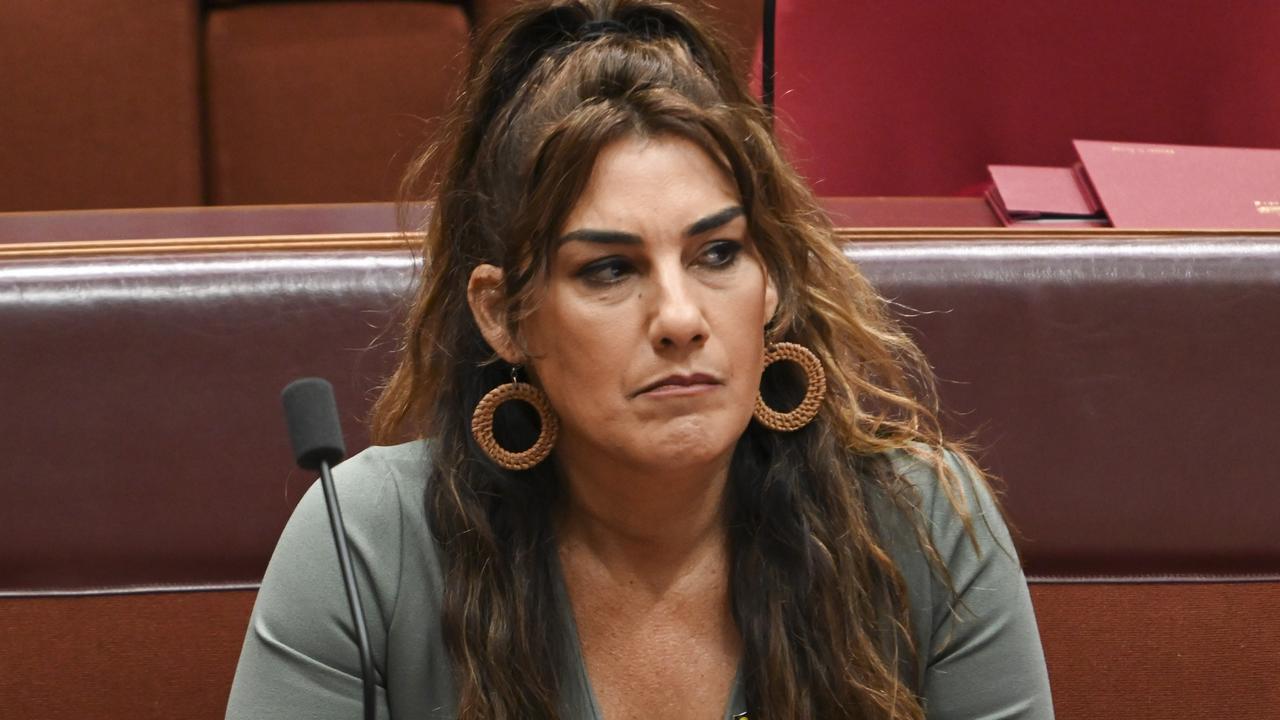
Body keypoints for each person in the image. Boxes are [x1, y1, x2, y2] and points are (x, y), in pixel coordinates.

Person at [225, 1, 1054, 718]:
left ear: (772, 283)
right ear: (503, 315)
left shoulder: (923, 526)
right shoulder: (367, 545)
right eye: (609, 270)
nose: (682, 318)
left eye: (719, 253)